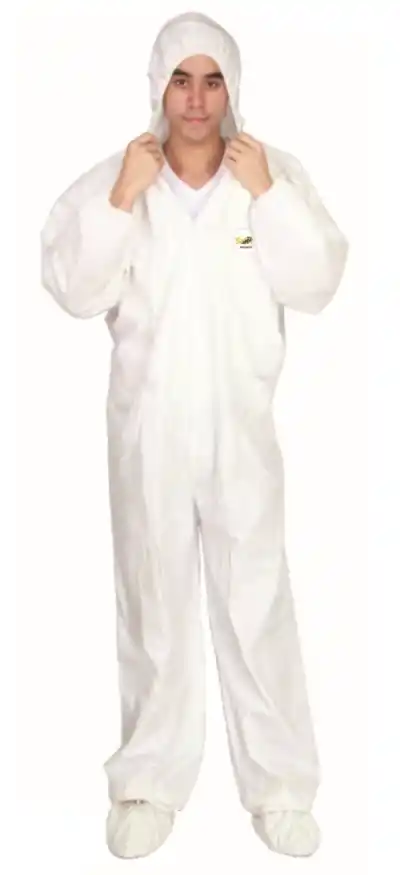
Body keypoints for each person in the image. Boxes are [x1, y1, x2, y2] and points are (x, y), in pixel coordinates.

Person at [40, 10, 349, 861]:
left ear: (233, 88)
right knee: (154, 604)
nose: (198, 99)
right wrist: (119, 201)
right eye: (182, 79)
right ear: (158, 87)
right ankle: (147, 782)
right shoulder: (121, 179)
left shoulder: (267, 174)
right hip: (149, 432)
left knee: (257, 603)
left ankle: (281, 789)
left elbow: (318, 277)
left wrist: (269, 195)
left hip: (240, 432)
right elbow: (72, 287)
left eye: (213, 80)